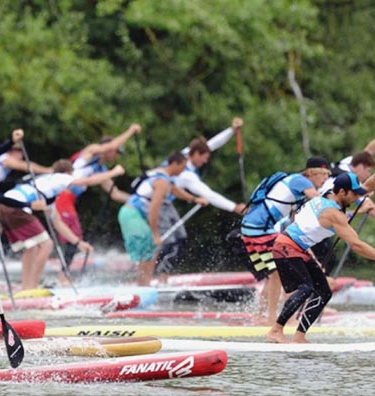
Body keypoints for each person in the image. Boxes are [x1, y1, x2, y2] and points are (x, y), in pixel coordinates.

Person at [266, 167, 375, 343]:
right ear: (341, 192)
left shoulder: (327, 193)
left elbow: (367, 188)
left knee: (324, 291)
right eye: (354, 195)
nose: (357, 198)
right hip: (286, 247)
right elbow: (356, 245)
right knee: (306, 288)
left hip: (300, 249)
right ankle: (276, 330)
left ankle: (299, 337)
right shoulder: (333, 214)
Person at [0, 159, 124, 290]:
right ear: (69, 173)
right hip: (17, 207)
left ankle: (26, 287)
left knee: (31, 247)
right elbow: (87, 181)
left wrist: (79, 243)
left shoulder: (48, 189)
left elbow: (58, 223)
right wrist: (113, 172)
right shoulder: (60, 177)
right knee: (47, 244)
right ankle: (31, 287)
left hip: (5, 205)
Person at [239, 157, 332, 324]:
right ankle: (274, 319)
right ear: (311, 173)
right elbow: (320, 203)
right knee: (278, 273)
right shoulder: (300, 181)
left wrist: (309, 253)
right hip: (259, 229)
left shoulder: (297, 190)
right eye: (323, 174)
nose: (325, 179)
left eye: (328, 175)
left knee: (271, 275)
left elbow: (294, 227)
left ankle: (259, 316)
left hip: (250, 228)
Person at [155, 118, 247, 281]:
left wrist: (231, 130)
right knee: (170, 241)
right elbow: (209, 195)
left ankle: (160, 276)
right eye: (204, 158)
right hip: (157, 204)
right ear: (195, 154)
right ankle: (155, 279)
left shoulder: (185, 153)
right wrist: (234, 207)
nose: (206, 161)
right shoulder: (187, 174)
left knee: (179, 237)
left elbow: (212, 144)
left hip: (165, 203)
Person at [55, 123, 141, 265]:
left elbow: (115, 194)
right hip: (61, 195)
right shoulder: (91, 152)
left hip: (69, 199)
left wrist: (139, 199)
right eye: (116, 152)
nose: (116, 155)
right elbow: (112, 145)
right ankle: (63, 277)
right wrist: (131, 131)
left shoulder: (101, 170)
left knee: (74, 237)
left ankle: (63, 275)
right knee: (74, 237)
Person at [118, 151, 209, 286]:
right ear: (174, 164)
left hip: (132, 214)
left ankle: (144, 285)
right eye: (182, 167)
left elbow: (175, 190)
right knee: (148, 249)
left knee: (150, 251)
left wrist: (195, 199)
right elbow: (154, 209)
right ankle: (143, 286)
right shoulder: (161, 182)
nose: (183, 171)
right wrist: (155, 234)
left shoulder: (163, 175)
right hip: (131, 215)